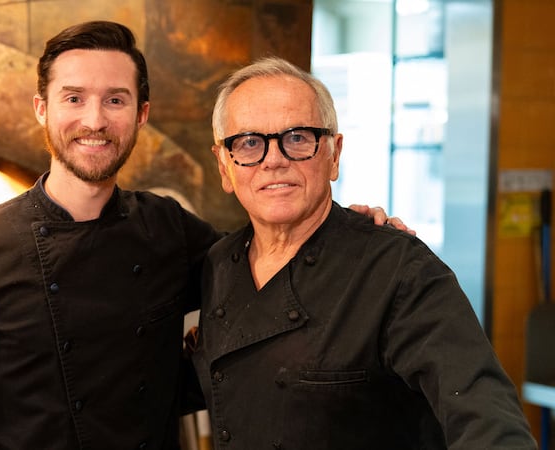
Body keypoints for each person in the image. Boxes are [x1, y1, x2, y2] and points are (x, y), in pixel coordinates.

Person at [0, 21, 401, 450]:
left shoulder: (168, 228)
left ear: (141, 114)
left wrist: (344, 231)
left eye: (115, 100)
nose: (94, 120)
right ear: (43, 108)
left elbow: (269, 262)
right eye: (74, 98)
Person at [189, 56, 537, 449]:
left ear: (334, 154)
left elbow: (482, 410)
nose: (274, 160)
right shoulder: (218, 263)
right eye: (249, 143)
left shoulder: (399, 269)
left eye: (298, 138)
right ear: (223, 166)